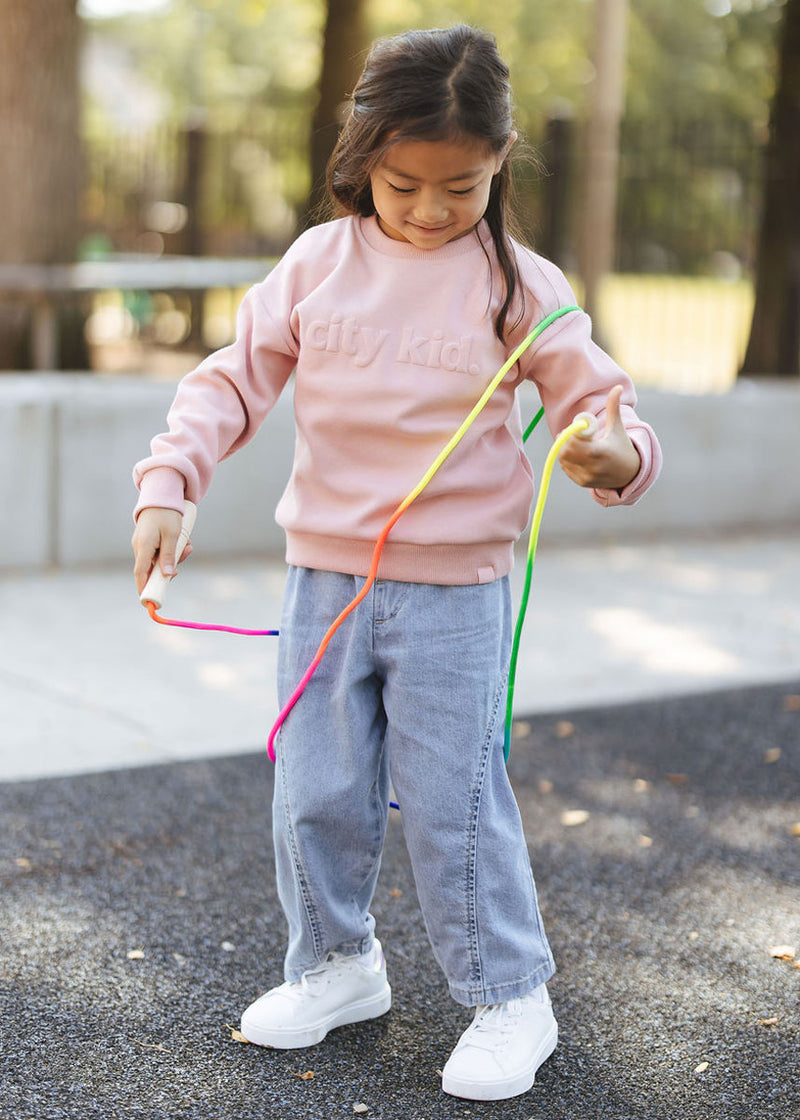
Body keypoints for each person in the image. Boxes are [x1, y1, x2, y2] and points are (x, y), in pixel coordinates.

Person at [132, 24, 662, 1102]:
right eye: (402, 183)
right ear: (362, 156)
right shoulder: (316, 265)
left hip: (456, 596)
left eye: (459, 187)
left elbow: (606, 409)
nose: (428, 209)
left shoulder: (520, 286)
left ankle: (511, 996)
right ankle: (336, 965)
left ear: (499, 162)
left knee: (452, 799)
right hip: (323, 585)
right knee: (314, 787)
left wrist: (615, 456)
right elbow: (230, 381)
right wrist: (169, 481)